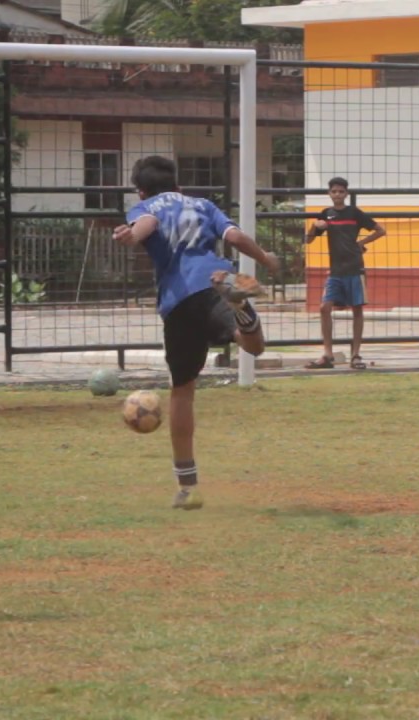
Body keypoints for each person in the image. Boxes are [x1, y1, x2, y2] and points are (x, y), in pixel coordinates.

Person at [113, 155, 279, 510]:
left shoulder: (143, 207)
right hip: (219, 276)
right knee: (256, 347)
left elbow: (146, 223)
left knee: (183, 391)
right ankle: (242, 309)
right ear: (178, 185)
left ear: (140, 190)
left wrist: (131, 238)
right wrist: (265, 258)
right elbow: (234, 236)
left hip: (176, 299)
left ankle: (188, 488)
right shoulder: (203, 204)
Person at [303, 177, 386, 370]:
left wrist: (361, 243)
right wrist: (315, 226)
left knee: (357, 309)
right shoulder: (326, 214)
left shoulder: (354, 213)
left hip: (355, 268)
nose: (337, 195)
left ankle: (355, 355)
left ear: (346, 194)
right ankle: (328, 354)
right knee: (325, 307)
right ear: (329, 194)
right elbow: (308, 241)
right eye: (334, 191)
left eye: (341, 191)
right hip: (336, 271)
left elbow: (380, 230)